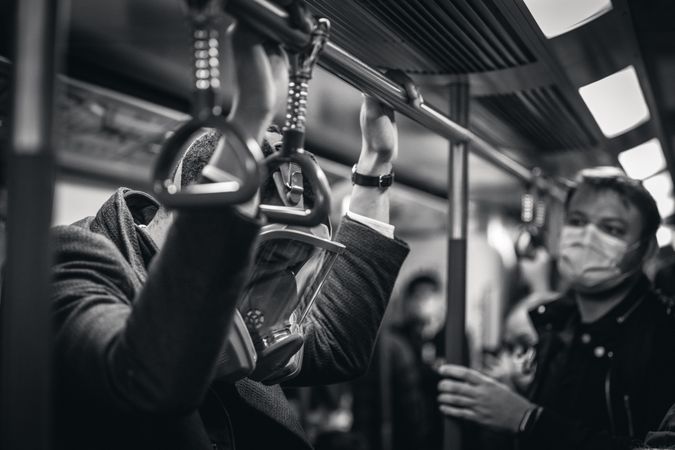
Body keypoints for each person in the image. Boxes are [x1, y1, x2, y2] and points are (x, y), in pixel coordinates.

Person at [49, 26, 409, 450]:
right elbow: (148, 376)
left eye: (293, 267)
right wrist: (250, 116)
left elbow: (336, 345)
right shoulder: (69, 261)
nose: (283, 287)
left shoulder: (247, 310)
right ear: (199, 216)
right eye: (273, 258)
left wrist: (375, 167)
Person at [437, 166, 675, 450]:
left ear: (645, 250)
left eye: (612, 228)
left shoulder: (665, 336)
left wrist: (527, 418)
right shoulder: (553, 325)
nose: (587, 237)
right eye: (577, 220)